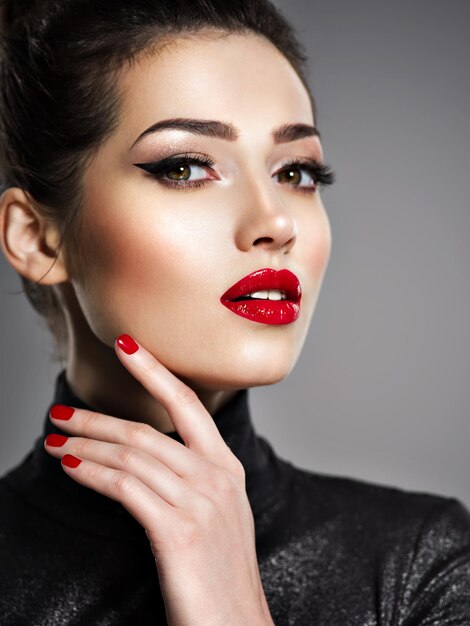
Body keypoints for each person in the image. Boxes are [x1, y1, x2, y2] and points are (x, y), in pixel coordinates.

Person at [0, 0, 469, 624]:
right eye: (187, 167)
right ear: (37, 239)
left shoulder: (418, 563)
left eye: (296, 172)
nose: (274, 222)